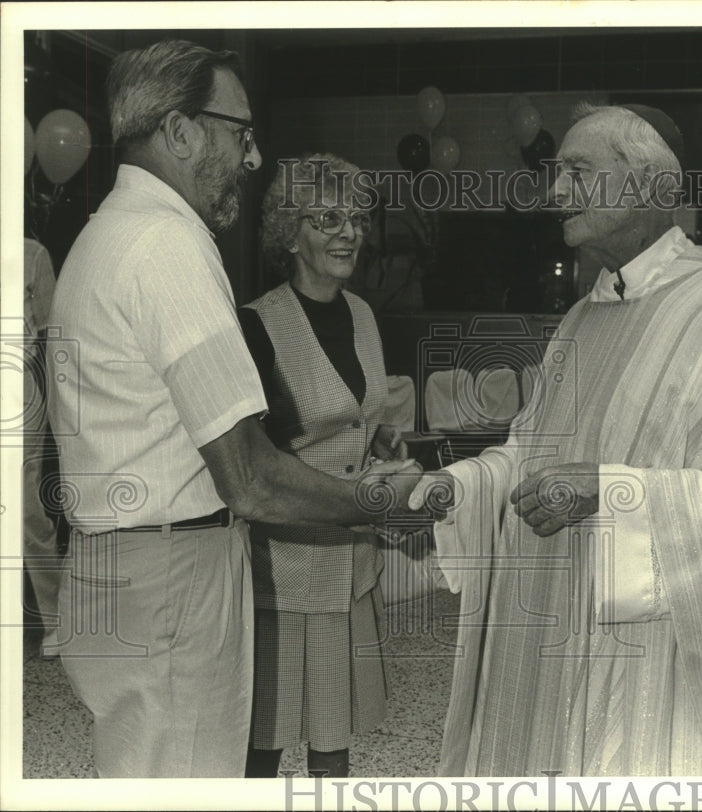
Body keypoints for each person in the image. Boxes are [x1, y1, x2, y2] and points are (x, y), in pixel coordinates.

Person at [45, 40, 419, 778]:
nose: (251, 159)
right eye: (240, 134)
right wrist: (378, 500)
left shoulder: (106, 233)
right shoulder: (167, 246)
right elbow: (250, 478)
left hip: (117, 560)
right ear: (180, 131)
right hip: (172, 575)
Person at [407, 103, 702, 776]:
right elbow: (528, 453)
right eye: (557, 173)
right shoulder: (580, 321)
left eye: (578, 171)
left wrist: (613, 491)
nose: (555, 191)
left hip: (646, 659)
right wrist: (454, 486)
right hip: (545, 640)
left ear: (652, 184)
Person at [239, 154, 405, 778]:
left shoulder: (362, 314)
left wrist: (386, 453)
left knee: (335, 734)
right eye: (327, 217)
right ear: (291, 230)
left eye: (357, 218)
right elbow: (251, 460)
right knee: (267, 735)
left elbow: (363, 422)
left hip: (352, 556)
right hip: (284, 566)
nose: (348, 232)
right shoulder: (257, 323)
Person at [22, 238, 61, 653]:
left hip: (17, 387)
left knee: (26, 509)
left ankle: (55, 621)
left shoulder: (34, 254)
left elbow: (52, 338)